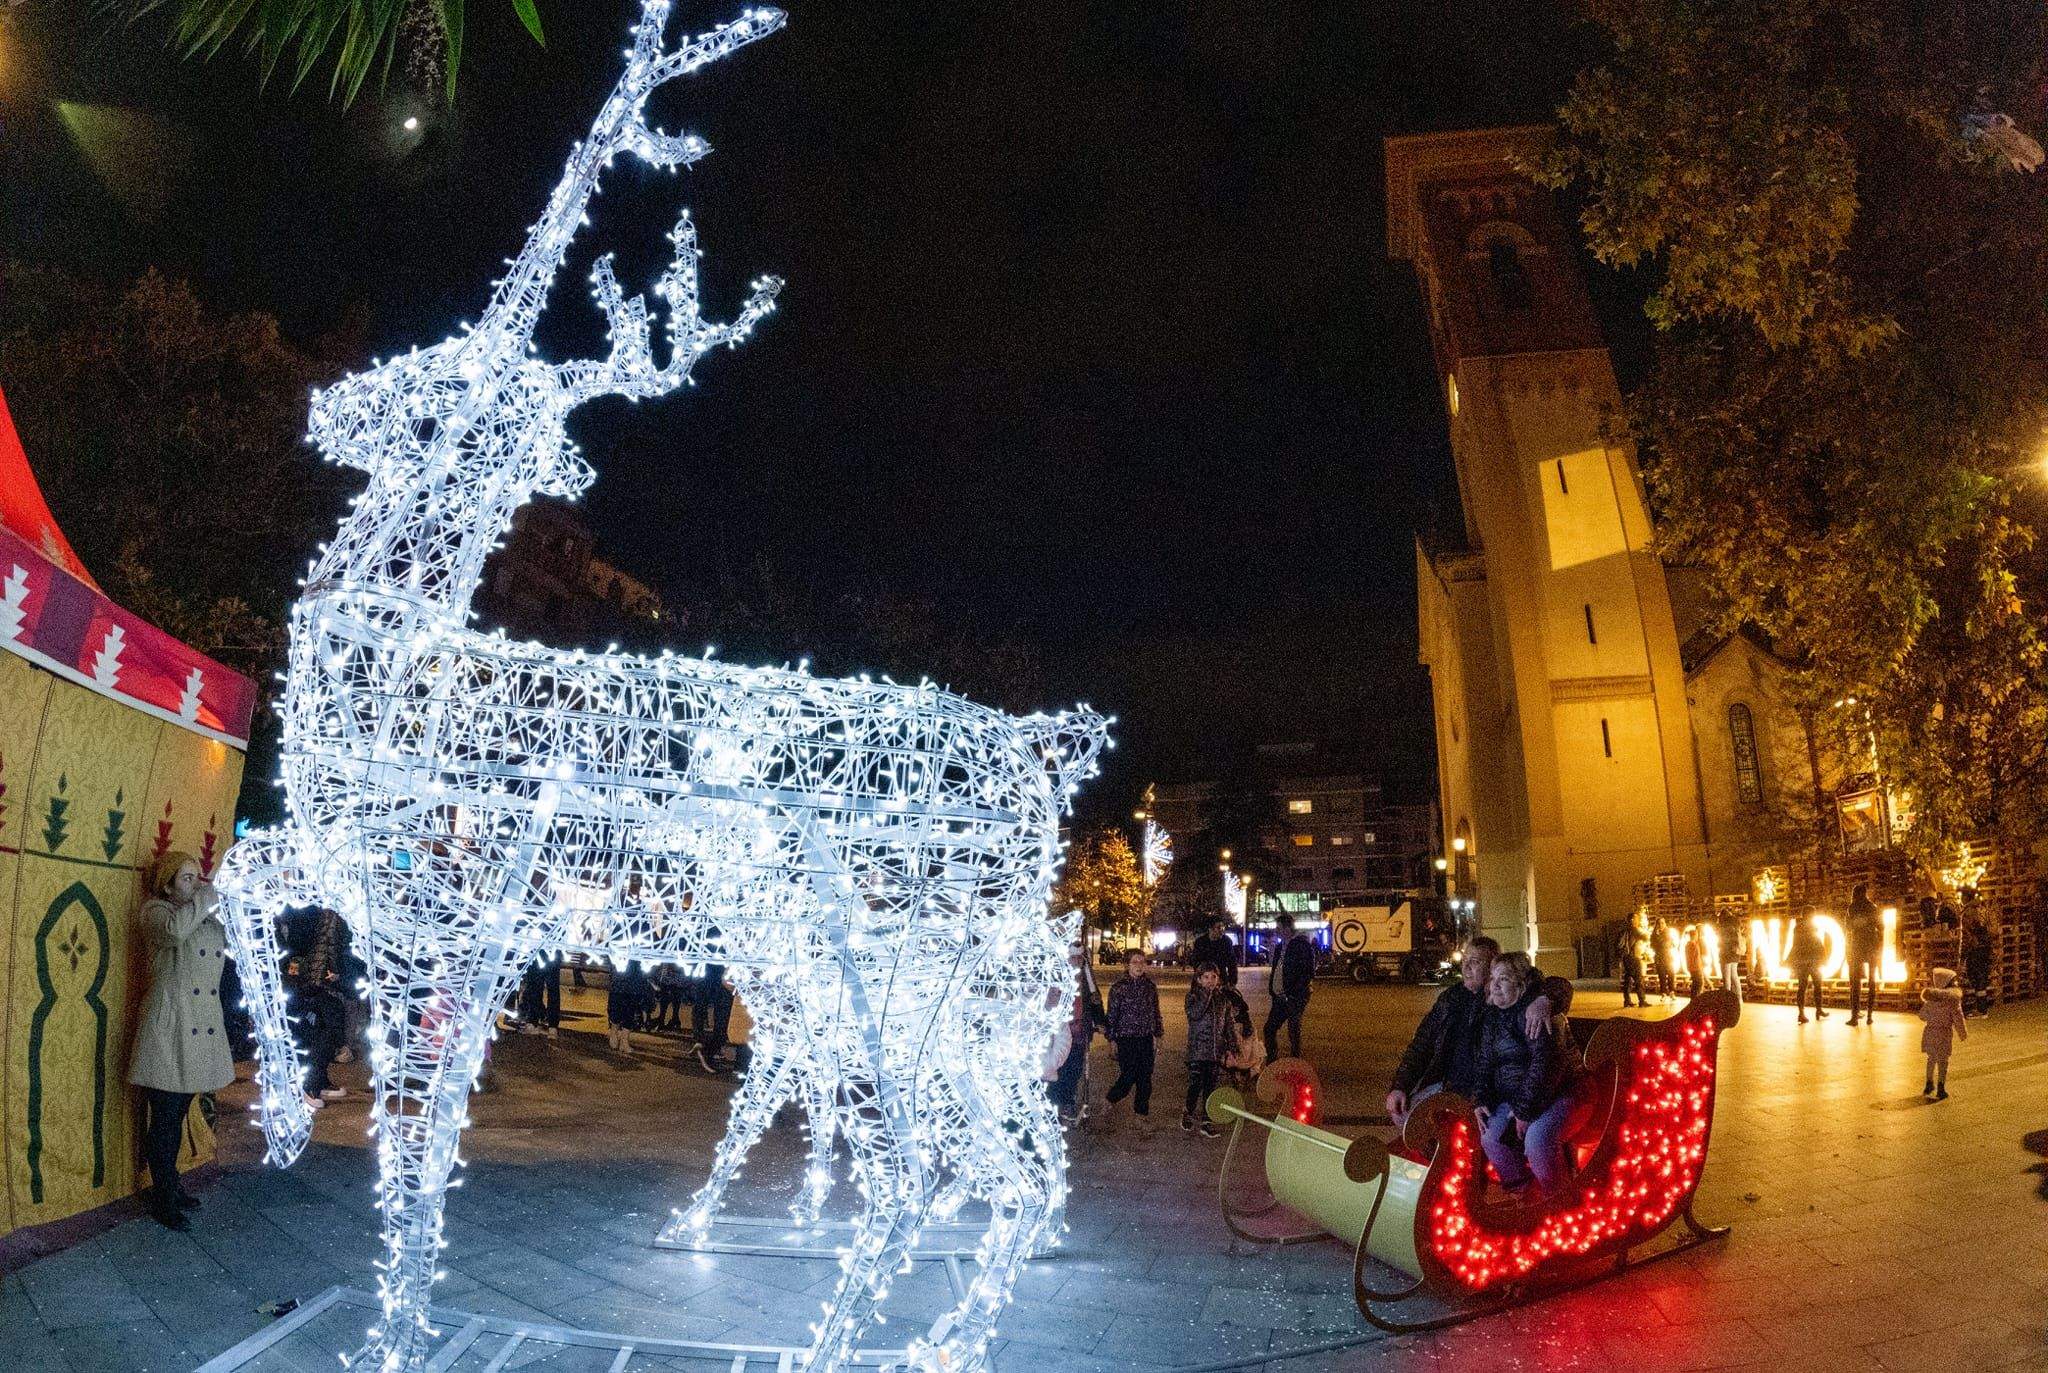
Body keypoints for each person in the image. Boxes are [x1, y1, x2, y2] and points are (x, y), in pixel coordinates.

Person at [129, 852, 240, 1231]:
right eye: (187, 878)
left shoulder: (203, 916)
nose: (196, 884)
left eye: (198, 877)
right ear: (167, 884)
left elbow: (231, 945)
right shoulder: (156, 913)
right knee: (165, 1118)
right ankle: (163, 1197)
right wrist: (208, 897)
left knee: (176, 1113)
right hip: (169, 1028)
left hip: (201, 1023)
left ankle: (171, 1185)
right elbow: (175, 931)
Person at [1473, 953, 1562, 1198]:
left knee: (1536, 1141)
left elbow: (1544, 1064)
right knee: (1490, 1138)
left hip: (1553, 1094)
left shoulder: (1533, 1013)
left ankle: (1557, 1199)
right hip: (1516, 1098)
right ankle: (1523, 1193)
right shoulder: (1492, 1016)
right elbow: (1485, 1062)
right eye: (1493, 979)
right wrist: (1479, 1099)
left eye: (1503, 979)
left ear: (1520, 984)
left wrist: (1523, 1110)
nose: (1495, 985)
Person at [1182, 962, 1249, 1136]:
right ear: (1198, 979)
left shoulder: (1223, 1000)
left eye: (1213, 977)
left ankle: (1206, 1121)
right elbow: (1194, 1014)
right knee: (1195, 1084)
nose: (1210, 980)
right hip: (1197, 1051)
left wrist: (1233, 1048)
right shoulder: (1192, 997)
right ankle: (1188, 1111)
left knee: (1210, 1086)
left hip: (1215, 1052)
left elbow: (1229, 1025)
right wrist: (1207, 995)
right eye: (1206, 977)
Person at [1050, 938, 1108, 1125]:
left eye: (1079, 958)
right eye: (1073, 957)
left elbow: (1095, 1001)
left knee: (1074, 1071)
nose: (1076, 961)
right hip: (1059, 1035)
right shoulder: (1056, 978)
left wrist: (1100, 1022)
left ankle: (1067, 1102)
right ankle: (1054, 1104)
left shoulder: (1087, 980)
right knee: (1056, 1069)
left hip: (1079, 1034)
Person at [1102, 949, 1163, 1124]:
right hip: (1125, 1039)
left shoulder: (1150, 987)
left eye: (1142, 962)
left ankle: (1141, 1113)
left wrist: (1158, 1034)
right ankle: (1111, 1098)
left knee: (1145, 1077)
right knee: (1128, 1075)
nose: (1139, 965)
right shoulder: (1118, 988)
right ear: (1127, 965)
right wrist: (1111, 1039)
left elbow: (1156, 1012)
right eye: (1135, 962)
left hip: (1145, 1038)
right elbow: (1112, 1016)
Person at [1262, 913, 1316, 1061]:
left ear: (1287, 928)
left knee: (1293, 1028)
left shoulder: (1302, 945)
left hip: (1294, 997)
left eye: (1278, 928)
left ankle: (1295, 1060)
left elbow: (1308, 972)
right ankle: (1272, 1060)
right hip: (1279, 997)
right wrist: (1273, 989)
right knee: (1269, 1028)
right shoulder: (1280, 947)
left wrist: (1294, 992)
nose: (1276, 931)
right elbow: (1276, 969)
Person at [1919, 967, 1966, 1100]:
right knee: (1943, 1061)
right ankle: (1941, 1087)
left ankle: (1929, 1084)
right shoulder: (1953, 1001)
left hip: (1930, 1032)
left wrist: (1932, 1018)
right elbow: (1958, 1017)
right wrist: (1962, 1033)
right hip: (1944, 1033)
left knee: (1931, 1059)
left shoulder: (1930, 1000)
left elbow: (1922, 1015)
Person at [1845, 884, 1881, 1026]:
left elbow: (1848, 927)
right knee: (1872, 981)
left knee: (1855, 981)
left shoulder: (1852, 908)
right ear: (1866, 893)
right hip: (1872, 945)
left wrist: (1858, 925)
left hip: (1857, 946)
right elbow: (1880, 926)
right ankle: (1870, 1016)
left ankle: (1854, 1017)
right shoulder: (1873, 907)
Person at [692, 962, 734, 1072]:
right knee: (721, 1014)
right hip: (717, 972)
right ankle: (707, 1049)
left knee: (705, 1008)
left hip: (712, 971)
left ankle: (703, 1043)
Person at [1790, 911, 1827, 1022]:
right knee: (1817, 986)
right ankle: (1818, 1010)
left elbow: (1795, 945)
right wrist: (1822, 957)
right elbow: (1817, 943)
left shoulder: (1798, 927)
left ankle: (1801, 1013)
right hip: (1813, 961)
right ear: (1810, 915)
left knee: (1802, 987)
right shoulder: (1811, 927)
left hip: (1802, 962)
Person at [608, 960, 651, 1054]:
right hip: (621, 977)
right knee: (616, 1008)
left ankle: (624, 1040)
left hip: (634, 980)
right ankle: (614, 1034)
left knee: (630, 1010)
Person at [518, 952, 563, 1038]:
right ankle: (552, 1027)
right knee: (552, 990)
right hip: (552, 953)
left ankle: (533, 1022)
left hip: (538, 953)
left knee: (535, 988)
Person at [1961, 910, 1994, 1018]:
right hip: (1980, 960)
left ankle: (1982, 1010)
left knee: (1979, 985)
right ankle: (1981, 1009)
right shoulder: (1981, 930)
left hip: (1978, 960)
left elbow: (1973, 945)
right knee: (1979, 986)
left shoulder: (1976, 932)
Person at [1188, 920, 1240, 988]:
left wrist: (1232, 981)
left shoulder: (1226, 941)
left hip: (1221, 979)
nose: (1221, 930)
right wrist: (1204, 977)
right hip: (1203, 979)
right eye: (1218, 928)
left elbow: (1232, 963)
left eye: (1223, 928)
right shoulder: (1200, 942)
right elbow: (1196, 962)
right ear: (1210, 929)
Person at [1715, 907, 1746, 1005]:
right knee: (1734, 976)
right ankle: (1740, 998)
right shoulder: (1736, 923)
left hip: (1726, 953)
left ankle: (1727, 1000)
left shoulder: (1724, 925)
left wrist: (1719, 944)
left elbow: (1722, 941)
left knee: (1726, 978)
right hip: (1735, 954)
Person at [1617, 912, 1649, 1008]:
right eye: (1637, 919)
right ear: (1632, 920)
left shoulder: (1624, 930)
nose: (1638, 921)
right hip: (1633, 957)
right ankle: (1642, 1000)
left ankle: (1627, 1001)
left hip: (1626, 957)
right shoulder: (1634, 930)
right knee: (1638, 979)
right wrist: (1645, 929)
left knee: (1627, 979)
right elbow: (1645, 937)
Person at [651, 962, 690, 1032]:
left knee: (666, 1003)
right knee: (674, 1003)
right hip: (676, 980)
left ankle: (664, 1021)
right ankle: (673, 1021)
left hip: (671, 980)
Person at [1649, 917, 1677, 1000]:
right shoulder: (1654, 934)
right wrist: (1657, 938)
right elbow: (1652, 945)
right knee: (1662, 976)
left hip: (1668, 957)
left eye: (1662, 923)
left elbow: (1667, 944)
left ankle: (1672, 992)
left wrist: (1659, 940)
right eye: (1659, 923)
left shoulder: (1668, 933)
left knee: (1671, 974)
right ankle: (1663, 993)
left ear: (1665, 924)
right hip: (1659, 958)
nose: (1661, 925)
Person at [1682, 926, 1706, 999]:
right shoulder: (1692, 945)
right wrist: (1699, 966)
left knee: (1696, 983)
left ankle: (1694, 999)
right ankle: (1696, 999)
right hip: (1696, 967)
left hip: (1692, 967)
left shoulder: (1689, 944)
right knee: (1699, 983)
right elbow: (1694, 957)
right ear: (1694, 935)